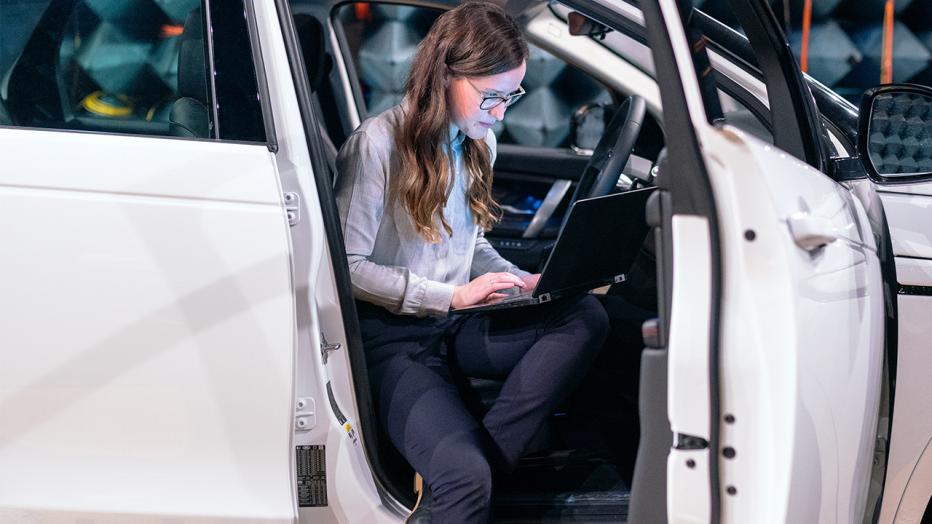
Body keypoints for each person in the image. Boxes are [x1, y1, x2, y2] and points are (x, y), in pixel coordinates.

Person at [334, 2, 609, 522]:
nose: (502, 112)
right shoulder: (377, 144)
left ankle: (469, 472)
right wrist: (451, 297)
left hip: (454, 325)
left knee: (583, 317)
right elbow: (348, 266)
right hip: (393, 339)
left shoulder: (478, 142)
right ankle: (465, 477)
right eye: (493, 96)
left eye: (513, 95)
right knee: (466, 478)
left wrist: (513, 278)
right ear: (445, 75)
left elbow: (471, 246)